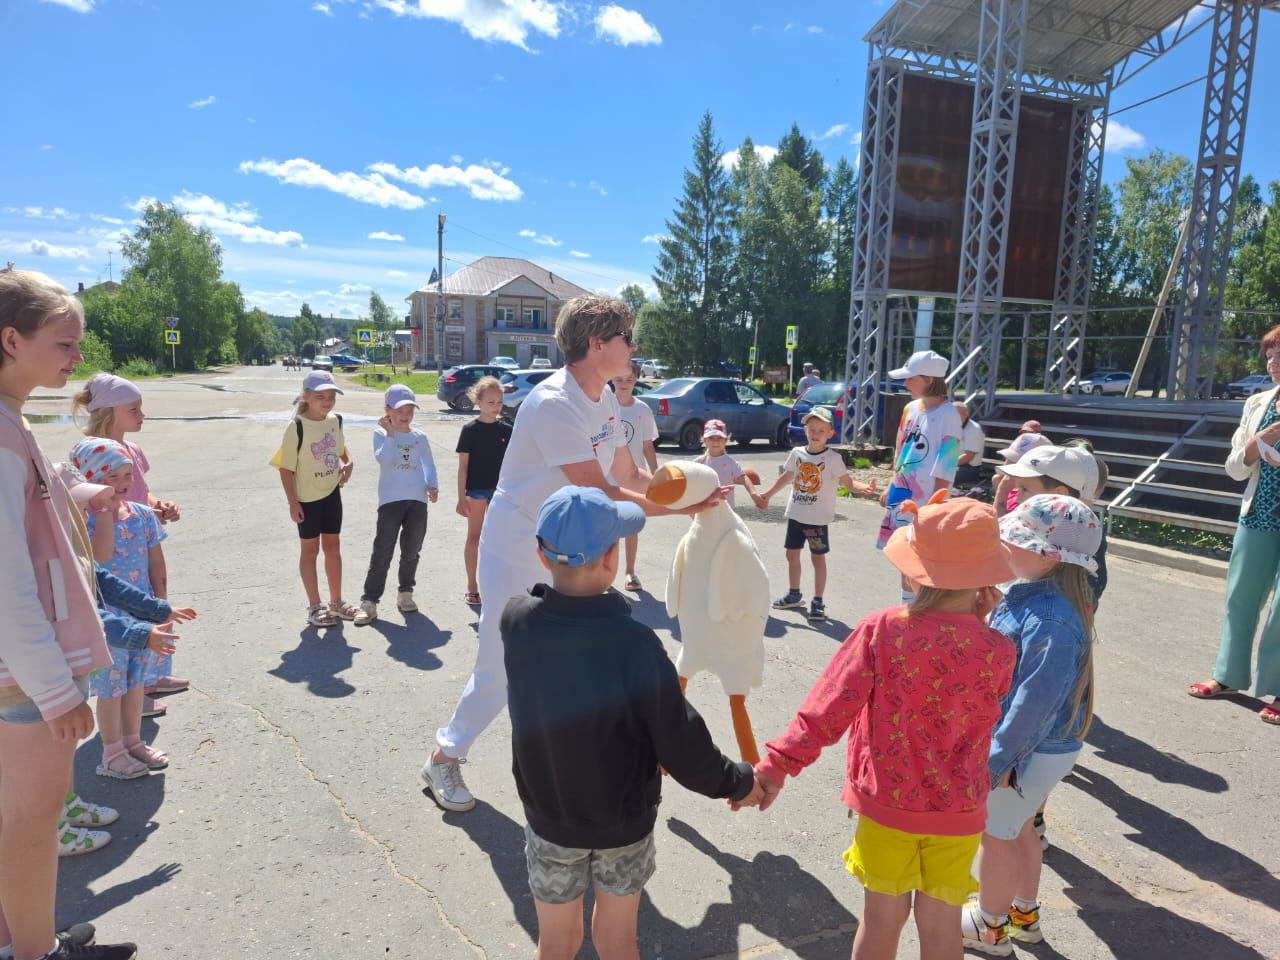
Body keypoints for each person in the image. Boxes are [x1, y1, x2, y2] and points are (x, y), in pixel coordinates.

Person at [421, 295, 720, 814]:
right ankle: (444, 757)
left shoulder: (604, 397)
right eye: (626, 337)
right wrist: (680, 513)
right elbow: (599, 492)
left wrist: (689, 495)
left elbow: (628, 475)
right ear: (596, 343)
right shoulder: (554, 403)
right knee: (501, 664)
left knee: (579, 657)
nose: (633, 346)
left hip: (567, 545)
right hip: (518, 546)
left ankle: (583, 774)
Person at [750, 497, 1016, 960]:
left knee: (880, 925)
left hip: (889, 803)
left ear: (914, 572)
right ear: (985, 579)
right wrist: (978, 623)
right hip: (959, 809)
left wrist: (777, 765)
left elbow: (828, 707)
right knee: (941, 931)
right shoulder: (998, 647)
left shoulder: (884, 630)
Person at [505, 486, 762, 960]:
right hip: (622, 821)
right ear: (610, 559)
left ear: (542, 555)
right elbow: (678, 739)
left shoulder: (516, 620)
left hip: (550, 814)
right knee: (618, 939)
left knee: (556, 942)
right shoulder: (635, 644)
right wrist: (737, 781)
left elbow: (542, 607)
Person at [0, 267, 138, 960]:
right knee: (31, 824)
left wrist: (82, 496)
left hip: (19, 670)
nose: (76, 358)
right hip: (21, 676)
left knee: (11, 823)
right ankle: (38, 953)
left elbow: (39, 499)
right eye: (64, 342)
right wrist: (56, 691)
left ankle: (15, 939)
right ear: (10, 338)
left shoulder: (9, 418)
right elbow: (6, 583)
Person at [962, 494, 1102, 955]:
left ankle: (990, 927)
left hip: (1026, 749)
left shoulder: (1050, 618)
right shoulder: (1039, 601)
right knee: (1019, 828)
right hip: (1038, 748)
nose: (1003, 545)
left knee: (996, 835)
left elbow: (1033, 703)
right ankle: (1021, 915)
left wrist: (999, 760)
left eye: (1012, 540)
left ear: (1046, 554)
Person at [72, 372, 183, 716]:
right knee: (122, 619)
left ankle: (149, 678)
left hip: (137, 534)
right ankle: (131, 691)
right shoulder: (88, 454)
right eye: (133, 409)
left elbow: (140, 491)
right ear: (108, 412)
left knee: (151, 602)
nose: (141, 415)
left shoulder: (131, 450)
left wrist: (156, 504)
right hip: (109, 551)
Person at [1189, 326, 1280, 725]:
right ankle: (1228, 676)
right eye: (1269, 355)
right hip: (1258, 512)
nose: (1272, 363)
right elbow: (1233, 469)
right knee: (1240, 597)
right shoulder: (1258, 403)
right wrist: (1256, 442)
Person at [69, 438, 173, 779]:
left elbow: (156, 562)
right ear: (90, 481)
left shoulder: (142, 515)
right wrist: (105, 512)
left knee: (135, 684)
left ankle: (133, 741)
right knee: (112, 688)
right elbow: (100, 557)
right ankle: (111, 752)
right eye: (112, 477)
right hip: (108, 621)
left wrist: (162, 605)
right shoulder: (85, 521)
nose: (123, 483)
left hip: (141, 614)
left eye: (128, 474)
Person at [756, 407, 876, 623]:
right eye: (812, 429)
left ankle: (818, 601)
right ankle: (794, 594)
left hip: (818, 520)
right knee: (791, 555)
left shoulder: (833, 458)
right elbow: (787, 476)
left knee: (817, 559)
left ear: (831, 433)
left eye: (821, 430)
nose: (816, 433)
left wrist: (862, 488)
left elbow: (848, 483)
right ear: (805, 430)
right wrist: (767, 494)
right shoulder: (797, 453)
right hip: (796, 514)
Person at [876, 350, 961, 605]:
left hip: (927, 501)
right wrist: (891, 484)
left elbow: (946, 464)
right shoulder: (910, 408)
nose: (905, 384)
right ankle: (906, 605)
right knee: (903, 553)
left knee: (921, 557)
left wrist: (935, 505)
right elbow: (901, 449)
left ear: (928, 379)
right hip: (902, 493)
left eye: (910, 378)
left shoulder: (948, 415)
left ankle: (921, 608)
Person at [273, 369, 355, 628]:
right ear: (306, 396)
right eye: (321, 396)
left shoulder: (335, 421)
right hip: (306, 499)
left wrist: (349, 463)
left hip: (331, 493)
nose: (327, 401)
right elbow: (285, 468)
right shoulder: (296, 427)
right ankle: (315, 605)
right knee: (310, 550)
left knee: (333, 547)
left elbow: (341, 449)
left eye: (331, 395)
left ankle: (337, 602)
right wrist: (292, 502)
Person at [354, 384, 438, 625]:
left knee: (412, 550)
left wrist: (432, 485)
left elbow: (428, 464)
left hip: (417, 500)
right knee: (382, 551)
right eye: (400, 410)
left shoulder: (419, 437)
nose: (405, 415)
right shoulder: (381, 434)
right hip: (391, 501)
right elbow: (386, 461)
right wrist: (390, 433)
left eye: (410, 409)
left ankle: (405, 593)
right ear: (387, 410)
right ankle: (369, 602)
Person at [455, 376, 511, 606]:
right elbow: (463, 467)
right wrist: (461, 497)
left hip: (500, 492)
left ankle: (499, 583)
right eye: (491, 402)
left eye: (499, 402)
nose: (496, 407)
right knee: (475, 537)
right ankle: (472, 586)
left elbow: (514, 463)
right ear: (478, 401)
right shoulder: (470, 430)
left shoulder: (507, 429)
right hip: (476, 490)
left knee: (500, 538)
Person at [610, 361, 658, 591]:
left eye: (629, 379)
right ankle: (604, 573)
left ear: (636, 380)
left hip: (634, 479)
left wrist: (656, 476)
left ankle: (630, 572)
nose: (624, 384)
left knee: (631, 526)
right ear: (611, 379)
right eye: (619, 379)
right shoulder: (603, 406)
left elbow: (648, 445)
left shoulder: (642, 410)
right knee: (608, 527)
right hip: (607, 478)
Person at [694, 419, 762, 508]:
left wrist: (753, 494)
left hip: (726, 509)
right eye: (711, 438)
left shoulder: (729, 462)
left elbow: (743, 478)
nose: (715, 441)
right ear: (704, 440)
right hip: (705, 508)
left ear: (725, 441)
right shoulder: (699, 462)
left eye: (719, 438)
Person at [991, 432, 1052, 518]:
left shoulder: (1037, 501)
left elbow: (998, 528)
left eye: (1016, 462)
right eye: (1008, 458)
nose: (1006, 464)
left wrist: (1002, 493)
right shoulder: (1015, 493)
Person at [953, 401, 988, 488]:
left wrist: (946, 465)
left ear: (966, 414)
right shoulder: (951, 425)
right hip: (952, 463)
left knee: (942, 474)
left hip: (969, 468)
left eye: (956, 413)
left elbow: (968, 456)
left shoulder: (974, 429)